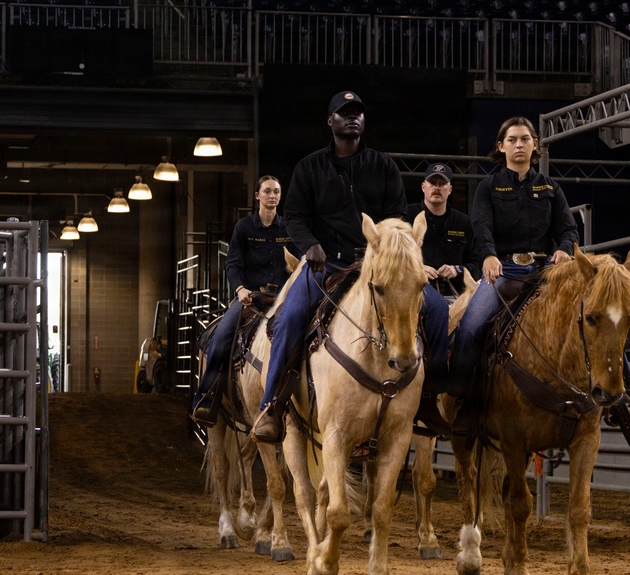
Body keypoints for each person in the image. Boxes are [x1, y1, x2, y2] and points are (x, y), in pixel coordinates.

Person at [252, 91, 452, 444]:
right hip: (324, 264)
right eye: (343, 113)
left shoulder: (383, 166)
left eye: (357, 113)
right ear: (330, 121)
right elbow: (296, 216)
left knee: (435, 311)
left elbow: (398, 217)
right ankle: (273, 405)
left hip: (374, 266)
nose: (352, 118)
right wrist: (309, 245)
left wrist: (391, 249)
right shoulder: (309, 167)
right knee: (289, 316)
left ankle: (428, 400)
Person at [447, 116, 630, 425]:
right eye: (512, 139)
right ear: (501, 146)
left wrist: (564, 248)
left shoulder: (550, 188)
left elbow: (567, 229)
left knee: (602, 315)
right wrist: (487, 255)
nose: (519, 144)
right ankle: (461, 394)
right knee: (470, 325)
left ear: (535, 145)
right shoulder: (487, 187)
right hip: (504, 270)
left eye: (525, 139)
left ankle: (622, 396)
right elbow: (481, 226)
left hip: (545, 272)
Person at [191, 175, 296, 426]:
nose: (272, 196)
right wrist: (239, 289)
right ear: (257, 196)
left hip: (281, 300)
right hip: (251, 298)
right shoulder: (244, 228)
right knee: (221, 337)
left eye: (277, 192)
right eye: (267, 191)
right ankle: (206, 397)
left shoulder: (288, 228)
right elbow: (233, 263)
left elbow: (298, 261)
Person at [405, 162, 480, 301]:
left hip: (455, 298)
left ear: (450, 189)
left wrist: (457, 270)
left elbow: (476, 264)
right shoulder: (406, 217)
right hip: (413, 295)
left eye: (442, 183)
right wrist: (417, 269)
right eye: (432, 183)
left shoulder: (463, 222)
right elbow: (392, 260)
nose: (436, 188)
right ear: (423, 187)